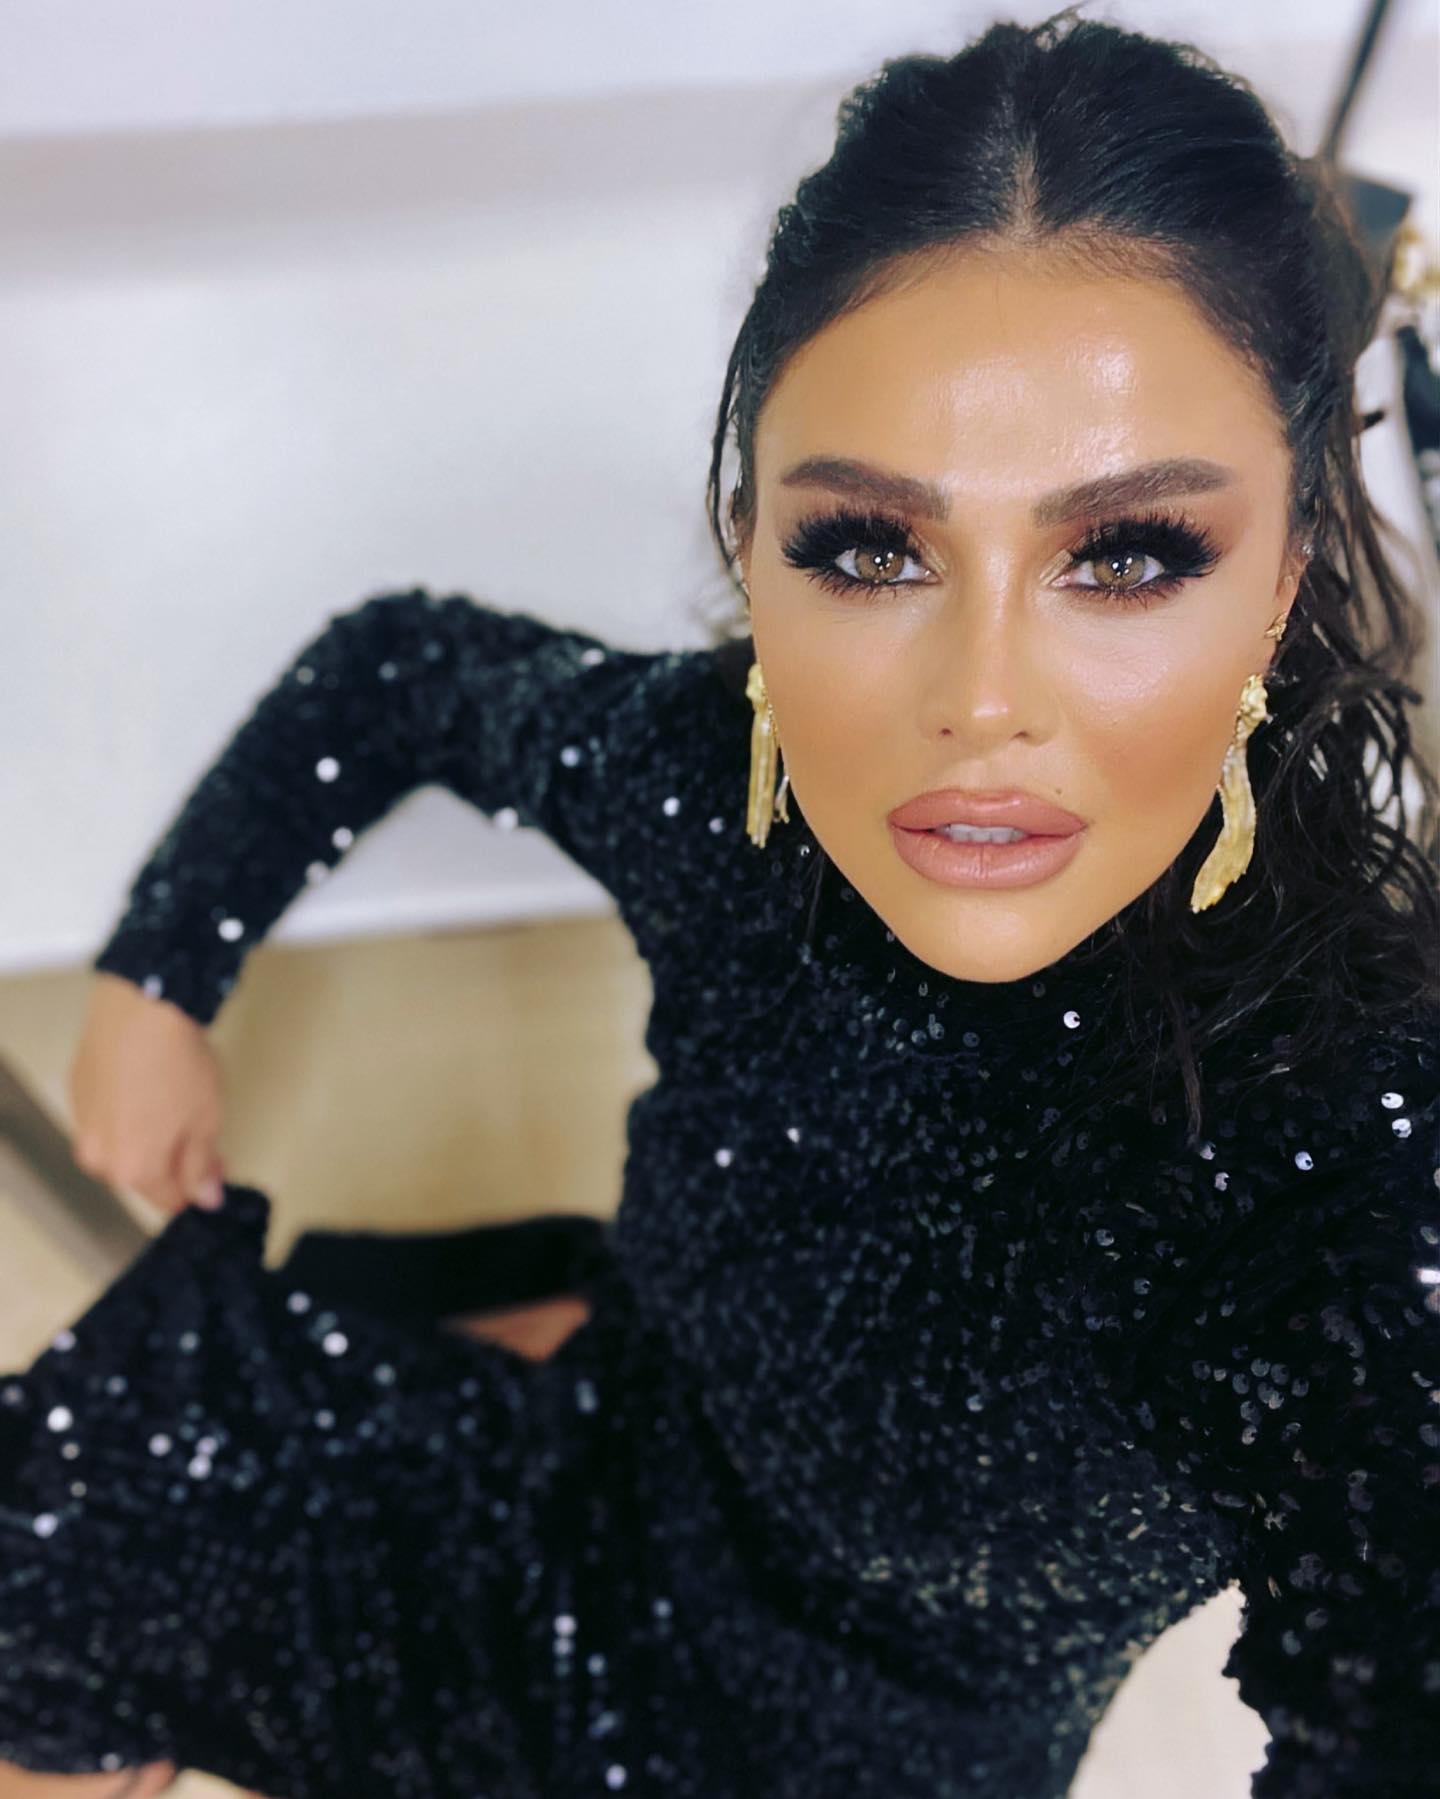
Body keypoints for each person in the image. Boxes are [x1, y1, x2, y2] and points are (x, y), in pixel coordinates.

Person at [2, 9, 1437, 1797]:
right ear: (752, 543)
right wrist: (158, 976)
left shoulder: (1353, 1172)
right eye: (871, 548)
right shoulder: (712, 785)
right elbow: (397, 668)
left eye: (1129, 554)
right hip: (587, 1496)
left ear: (1286, 572)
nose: (982, 701)